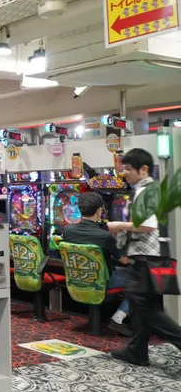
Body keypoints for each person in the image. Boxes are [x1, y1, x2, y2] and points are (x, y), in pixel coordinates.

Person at [107, 148, 181, 365]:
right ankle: (137, 351)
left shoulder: (144, 191)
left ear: (144, 169)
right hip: (151, 256)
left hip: (147, 257)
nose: (124, 174)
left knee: (144, 305)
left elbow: (147, 226)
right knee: (142, 305)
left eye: (128, 169)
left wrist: (118, 225)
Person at [62, 192, 132, 336]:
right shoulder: (104, 236)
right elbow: (124, 260)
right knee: (141, 279)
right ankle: (118, 318)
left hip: (77, 278)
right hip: (102, 281)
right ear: (99, 210)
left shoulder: (67, 231)